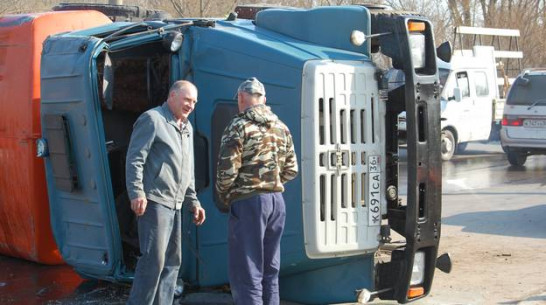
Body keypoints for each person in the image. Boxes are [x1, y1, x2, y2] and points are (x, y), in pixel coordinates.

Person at [216, 77, 298, 305]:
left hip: (249, 202)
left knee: (247, 269)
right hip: (276, 202)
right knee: (270, 268)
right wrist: (270, 183)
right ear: (264, 98)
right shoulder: (281, 127)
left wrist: (226, 197)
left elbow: (227, 171)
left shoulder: (238, 125)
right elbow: (292, 169)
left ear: (241, 98)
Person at [125, 80, 206, 305]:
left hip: (177, 203)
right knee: (154, 261)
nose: (191, 105)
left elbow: (187, 171)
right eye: (187, 99)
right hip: (155, 201)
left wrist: (194, 202)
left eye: (194, 102)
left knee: (172, 263)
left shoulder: (187, 128)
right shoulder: (153, 119)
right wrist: (136, 192)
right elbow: (135, 159)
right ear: (172, 96)